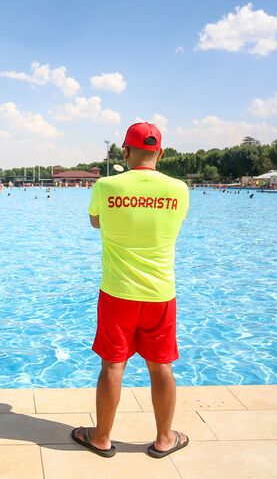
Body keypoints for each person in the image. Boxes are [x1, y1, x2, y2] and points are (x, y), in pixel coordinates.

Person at [75, 121, 190, 459]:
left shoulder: (105, 186)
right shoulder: (179, 189)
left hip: (117, 292)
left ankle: (101, 437)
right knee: (161, 366)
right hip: (160, 294)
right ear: (161, 153)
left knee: (113, 365)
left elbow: (96, 222)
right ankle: (165, 438)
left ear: (124, 151)